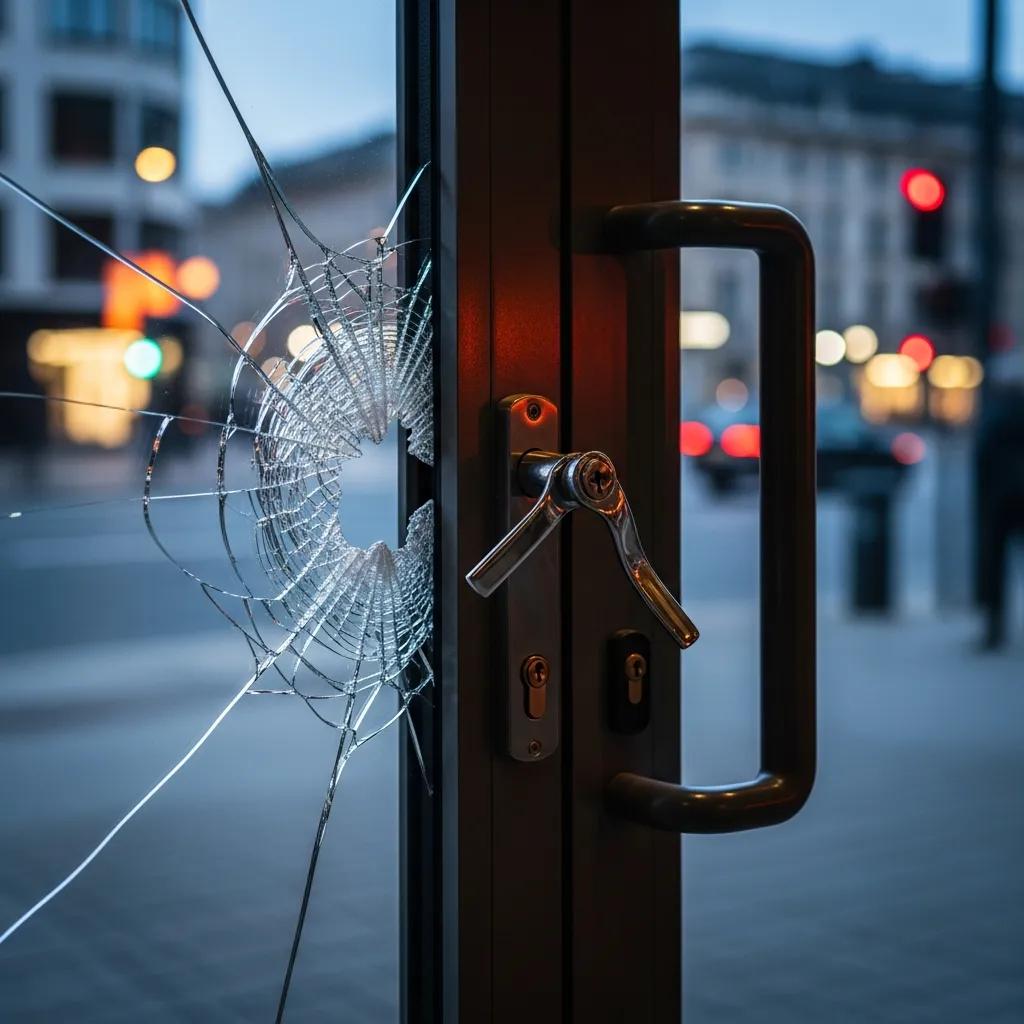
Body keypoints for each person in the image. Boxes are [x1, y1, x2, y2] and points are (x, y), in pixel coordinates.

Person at [975, 350, 1024, 649]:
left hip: (1000, 499)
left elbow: (983, 456)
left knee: (995, 563)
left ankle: (994, 628)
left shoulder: (995, 414)